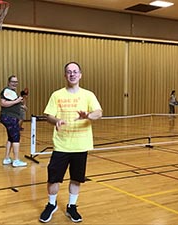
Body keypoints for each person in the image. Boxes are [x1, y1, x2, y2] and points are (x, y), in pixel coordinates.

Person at [39, 62, 102, 223]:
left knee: (76, 178)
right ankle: (51, 204)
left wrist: (88, 115)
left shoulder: (88, 95)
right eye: (69, 72)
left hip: (81, 146)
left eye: (75, 71)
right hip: (61, 145)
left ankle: (71, 206)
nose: (72, 74)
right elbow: (48, 116)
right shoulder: (57, 95)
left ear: (80, 74)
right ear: (65, 75)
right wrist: (57, 120)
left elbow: (99, 113)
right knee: (53, 178)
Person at [0, 75, 27, 167]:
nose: (15, 83)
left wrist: (21, 106)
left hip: (11, 117)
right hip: (9, 118)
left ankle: (7, 158)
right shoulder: (6, 91)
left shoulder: (12, 92)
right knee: (16, 138)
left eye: (16, 82)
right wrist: (17, 101)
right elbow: (3, 103)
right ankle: (16, 160)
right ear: (9, 82)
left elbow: (12, 104)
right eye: (13, 82)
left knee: (11, 138)